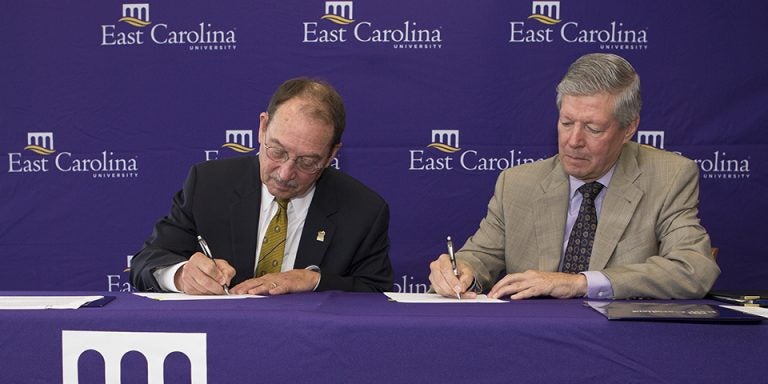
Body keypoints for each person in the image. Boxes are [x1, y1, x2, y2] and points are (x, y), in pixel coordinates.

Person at [429, 53, 720, 300]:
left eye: (593, 129)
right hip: (532, 343)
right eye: (566, 123)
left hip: (625, 346)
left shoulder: (669, 177)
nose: (573, 140)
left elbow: (693, 268)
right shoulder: (517, 183)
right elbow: (480, 257)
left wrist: (580, 282)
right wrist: (460, 272)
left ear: (629, 128)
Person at [131, 77, 393, 295]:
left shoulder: (363, 210)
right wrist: (180, 275)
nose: (285, 172)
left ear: (331, 155)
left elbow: (376, 293)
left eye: (306, 162)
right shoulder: (208, 184)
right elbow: (146, 263)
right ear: (262, 127)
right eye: (277, 152)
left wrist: (313, 281)